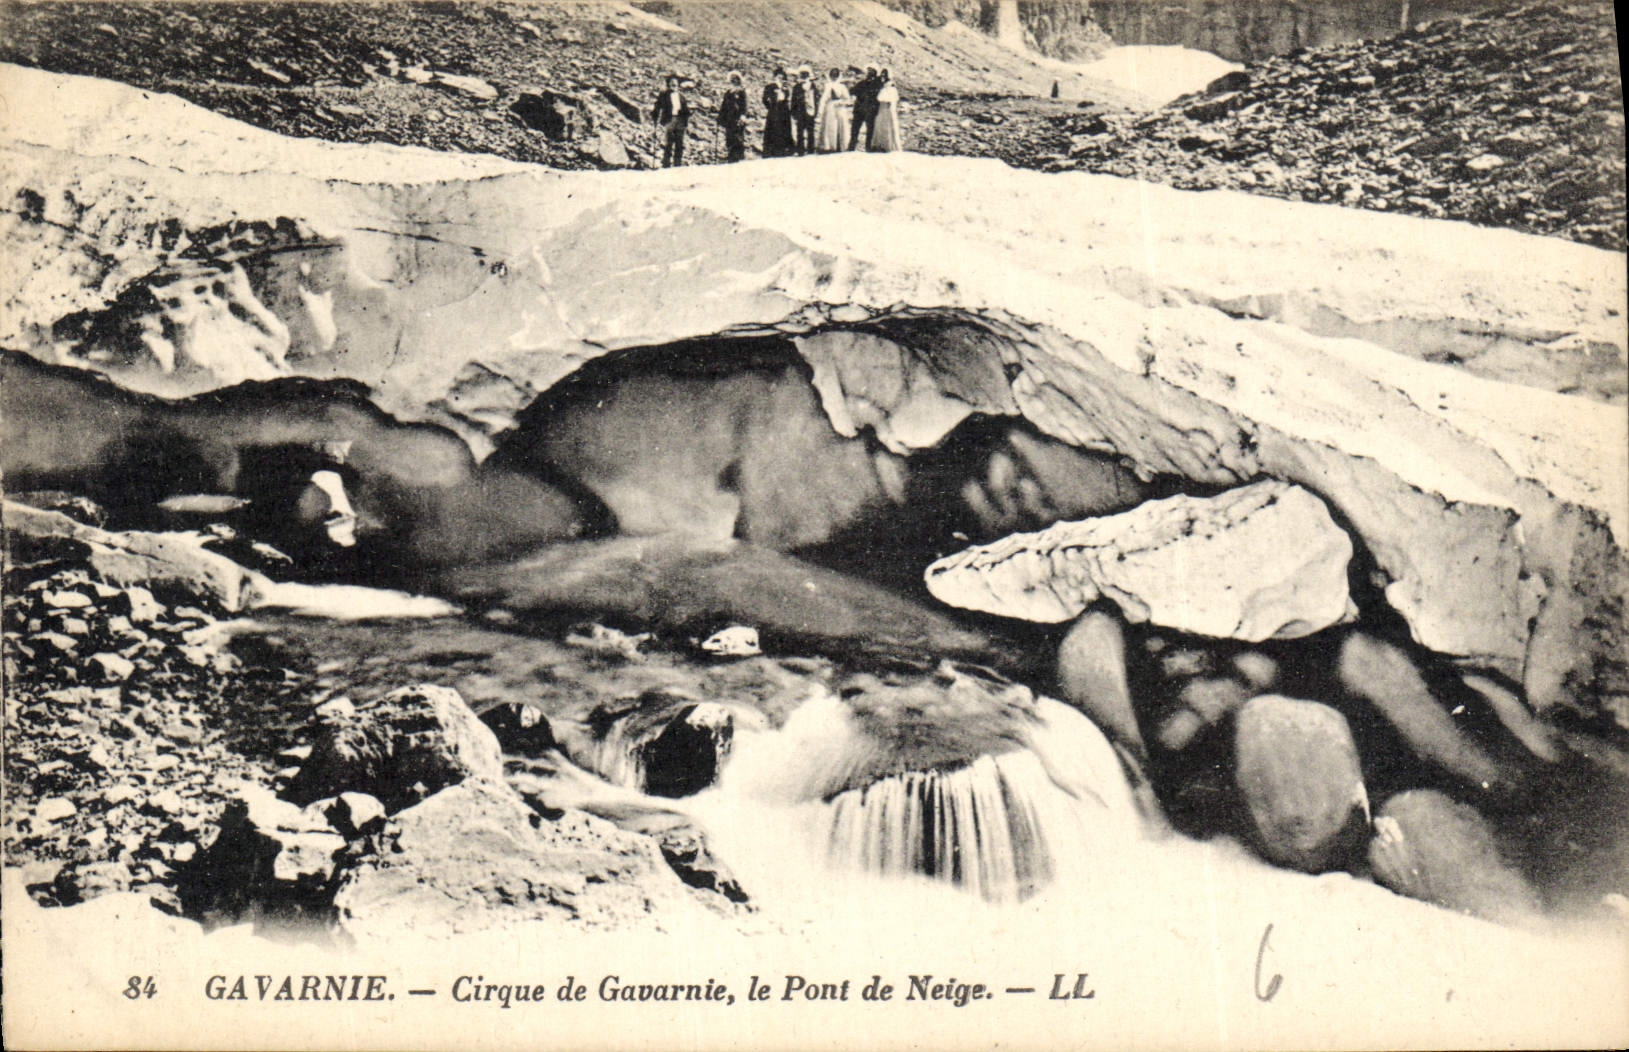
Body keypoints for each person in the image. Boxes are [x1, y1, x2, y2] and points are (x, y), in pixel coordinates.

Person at [651, 74, 690, 168]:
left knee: (679, 143)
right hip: (670, 120)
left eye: (675, 83)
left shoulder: (681, 96)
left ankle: (677, 164)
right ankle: (666, 164)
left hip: (680, 121)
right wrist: (655, 115)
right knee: (669, 142)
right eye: (672, 83)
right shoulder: (664, 94)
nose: (674, 85)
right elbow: (657, 105)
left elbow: (686, 110)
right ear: (668, 84)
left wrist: (685, 116)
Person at [814, 67, 851, 154]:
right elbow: (823, 98)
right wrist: (821, 109)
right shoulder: (827, 85)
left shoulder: (842, 86)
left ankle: (839, 145)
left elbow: (847, 99)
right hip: (830, 107)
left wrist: (841, 102)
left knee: (840, 126)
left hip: (839, 108)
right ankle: (829, 145)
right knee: (830, 126)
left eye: (836, 75)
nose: (834, 77)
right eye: (832, 75)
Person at [760, 67, 794, 158]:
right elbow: (764, 99)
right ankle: (771, 151)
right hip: (774, 110)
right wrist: (770, 107)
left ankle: (783, 150)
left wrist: (783, 90)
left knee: (784, 129)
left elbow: (787, 97)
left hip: (784, 111)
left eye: (782, 77)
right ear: (775, 77)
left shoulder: (785, 87)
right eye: (778, 76)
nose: (780, 78)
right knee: (773, 129)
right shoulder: (770, 86)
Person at [718, 71, 750, 162]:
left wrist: (743, 116)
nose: (734, 81)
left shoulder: (741, 92)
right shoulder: (728, 92)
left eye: (736, 80)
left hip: (738, 119)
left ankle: (738, 157)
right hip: (729, 119)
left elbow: (744, 105)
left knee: (738, 138)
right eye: (732, 80)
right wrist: (720, 117)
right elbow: (723, 106)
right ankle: (731, 156)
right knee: (729, 137)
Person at [848, 65, 882, 151]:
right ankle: (851, 147)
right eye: (868, 71)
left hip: (870, 110)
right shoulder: (862, 83)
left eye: (871, 71)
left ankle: (868, 147)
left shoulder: (878, 84)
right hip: (859, 109)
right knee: (855, 129)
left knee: (870, 130)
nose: (869, 73)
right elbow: (852, 91)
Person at [871, 68, 902, 152]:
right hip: (882, 108)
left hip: (888, 109)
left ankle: (888, 146)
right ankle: (881, 145)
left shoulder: (891, 87)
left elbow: (887, 98)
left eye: (885, 74)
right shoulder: (883, 86)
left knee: (888, 125)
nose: (883, 75)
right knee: (881, 124)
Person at [791, 67, 817, 155]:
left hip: (810, 110)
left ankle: (811, 150)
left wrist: (816, 111)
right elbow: (793, 100)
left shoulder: (813, 86)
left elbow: (816, 99)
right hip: (800, 111)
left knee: (811, 131)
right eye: (803, 74)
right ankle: (800, 150)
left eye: (806, 74)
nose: (804, 76)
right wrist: (793, 112)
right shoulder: (797, 87)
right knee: (800, 131)